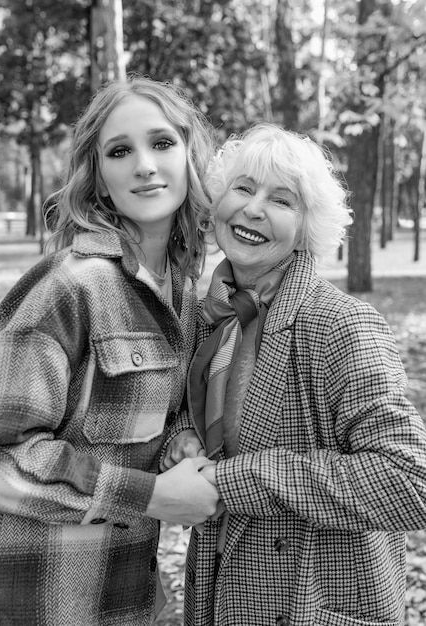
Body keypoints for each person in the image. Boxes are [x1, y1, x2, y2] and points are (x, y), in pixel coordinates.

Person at [0, 75, 220, 625]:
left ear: (191, 157)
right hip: (35, 599)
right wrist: (149, 495)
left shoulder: (184, 297)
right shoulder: (72, 286)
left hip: (119, 593)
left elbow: (116, 425)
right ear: (98, 181)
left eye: (162, 143)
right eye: (120, 152)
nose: (145, 165)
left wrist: (177, 441)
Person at [162, 123, 426, 626]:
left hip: (314, 605)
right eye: (243, 188)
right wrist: (185, 439)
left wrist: (229, 480)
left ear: (307, 226)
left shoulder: (341, 325)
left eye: (282, 200)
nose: (254, 208)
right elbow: (196, 415)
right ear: (217, 201)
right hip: (219, 597)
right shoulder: (202, 316)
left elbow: (410, 482)